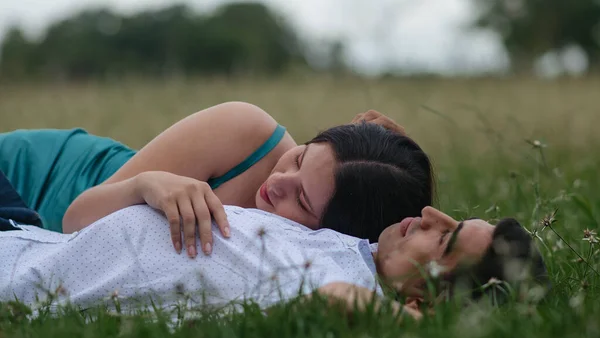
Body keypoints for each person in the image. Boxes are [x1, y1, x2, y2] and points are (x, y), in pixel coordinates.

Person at [0, 199, 549, 320]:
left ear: (419, 299)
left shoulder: (341, 283)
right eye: (450, 216)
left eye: (446, 241)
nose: (430, 212)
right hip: (27, 231)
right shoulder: (344, 246)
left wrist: (406, 323)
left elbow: (332, 299)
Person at [0, 105, 431, 257]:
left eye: (300, 199)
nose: (279, 181)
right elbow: (74, 223)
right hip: (43, 180)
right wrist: (145, 186)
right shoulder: (245, 134)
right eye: (300, 157)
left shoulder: (317, 257)